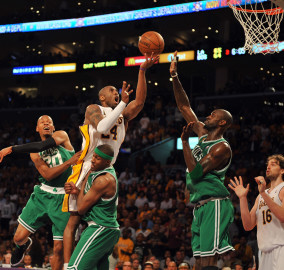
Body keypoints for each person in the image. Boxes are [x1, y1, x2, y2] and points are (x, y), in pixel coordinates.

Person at [62, 53, 159, 269]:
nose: (117, 91)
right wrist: (123, 103)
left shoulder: (122, 113)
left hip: (107, 169)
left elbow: (140, 101)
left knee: (99, 218)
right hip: (88, 165)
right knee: (75, 220)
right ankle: (68, 263)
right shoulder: (94, 109)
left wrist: (142, 71)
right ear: (103, 98)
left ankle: (94, 260)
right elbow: (103, 127)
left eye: (118, 90)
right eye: (112, 91)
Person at [170, 51, 234, 270]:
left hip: (215, 203)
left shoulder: (220, 148)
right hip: (200, 204)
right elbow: (184, 107)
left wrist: (186, 143)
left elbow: (196, 173)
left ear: (222, 123)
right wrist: (175, 77)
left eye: (213, 115)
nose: (208, 116)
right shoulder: (203, 134)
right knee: (198, 260)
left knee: (208, 261)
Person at [0, 115, 82, 270]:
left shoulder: (62, 136)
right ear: (37, 128)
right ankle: (24, 244)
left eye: (49, 122)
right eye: (42, 122)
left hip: (64, 196)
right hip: (43, 195)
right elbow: (47, 174)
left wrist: (12, 148)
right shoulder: (34, 153)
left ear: (53, 128)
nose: (46, 123)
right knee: (18, 238)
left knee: (59, 249)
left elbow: (44, 145)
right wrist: (69, 162)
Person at [65, 144, 120, 270]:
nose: (93, 160)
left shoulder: (103, 180)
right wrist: (77, 191)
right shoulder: (104, 173)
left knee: (74, 268)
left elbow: (81, 208)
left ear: (107, 161)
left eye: (98, 158)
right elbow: (91, 199)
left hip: (100, 228)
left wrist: (84, 180)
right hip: (108, 229)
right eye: (93, 156)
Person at [229, 154, 284, 270]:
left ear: (282, 170)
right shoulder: (260, 196)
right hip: (264, 251)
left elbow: (282, 216)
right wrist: (242, 198)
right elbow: (248, 225)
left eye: (273, 165)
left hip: (281, 248)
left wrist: (264, 193)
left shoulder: (282, 189)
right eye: (267, 165)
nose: (268, 167)